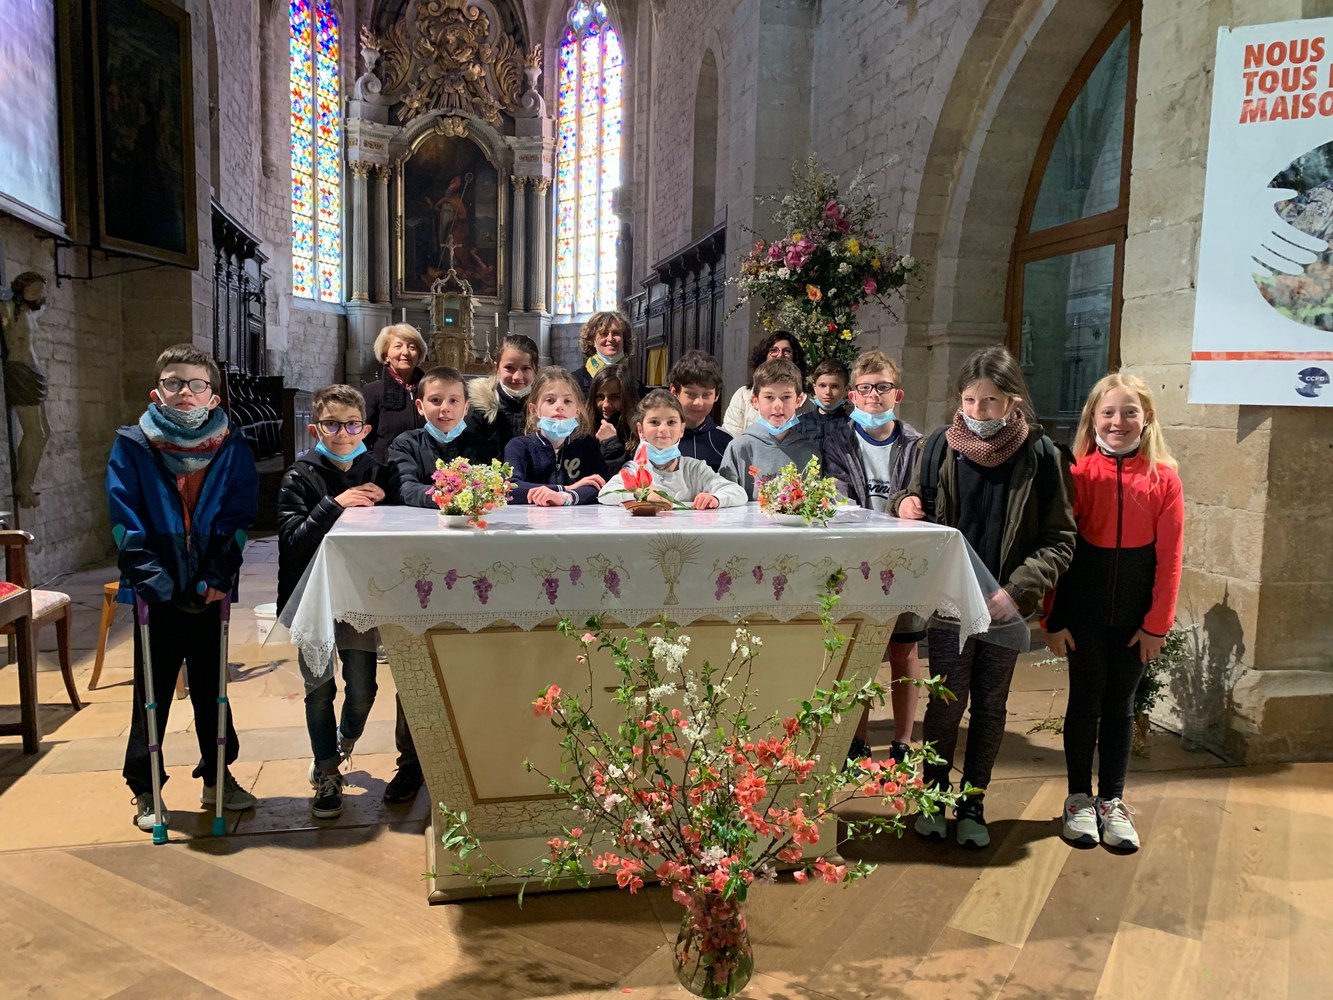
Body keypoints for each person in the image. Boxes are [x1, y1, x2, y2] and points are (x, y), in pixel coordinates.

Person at [892, 345, 1075, 849]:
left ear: (1013, 401)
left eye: (990, 401)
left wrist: (1017, 591)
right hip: (950, 602)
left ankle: (973, 801)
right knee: (946, 702)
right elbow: (912, 498)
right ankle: (933, 794)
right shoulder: (938, 445)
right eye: (969, 400)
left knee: (991, 705)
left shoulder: (1042, 455)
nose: (977, 411)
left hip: (1004, 604)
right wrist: (905, 502)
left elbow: (1060, 539)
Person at [107, 343, 259, 831]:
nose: (185, 392)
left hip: (209, 586)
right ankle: (145, 785)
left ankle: (218, 775)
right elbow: (124, 519)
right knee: (151, 692)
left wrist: (220, 574)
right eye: (173, 383)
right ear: (158, 392)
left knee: (213, 688)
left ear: (213, 396)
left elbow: (239, 516)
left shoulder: (230, 445)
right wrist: (152, 579)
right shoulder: (134, 444)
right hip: (156, 588)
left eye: (196, 384)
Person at [1044, 373, 1183, 852]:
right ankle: (1079, 798)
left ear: (1147, 419)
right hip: (1082, 613)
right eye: (1108, 412)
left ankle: (1112, 800)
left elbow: (1170, 560)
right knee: (1084, 702)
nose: (1118, 421)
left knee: (1121, 706)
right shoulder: (1078, 474)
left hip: (1134, 619)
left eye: (1129, 412)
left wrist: (1157, 625)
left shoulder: (1164, 478)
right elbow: (1058, 552)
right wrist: (1052, 619)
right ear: (1093, 418)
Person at [277, 384, 401, 819]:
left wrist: (390, 503)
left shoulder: (377, 471)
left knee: (363, 690)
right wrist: (335, 504)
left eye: (351, 425)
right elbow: (293, 540)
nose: (342, 434)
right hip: (312, 597)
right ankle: (327, 772)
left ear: (365, 429)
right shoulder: (299, 476)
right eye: (331, 425)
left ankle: (342, 742)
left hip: (359, 597)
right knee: (319, 691)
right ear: (315, 429)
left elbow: (399, 528)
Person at [822, 350, 925, 764]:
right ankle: (858, 737)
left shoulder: (916, 444)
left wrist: (912, 503)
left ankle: (903, 740)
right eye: (864, 389)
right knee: (860, 652)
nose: (873, 396)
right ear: (852, 395)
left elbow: (923, 491)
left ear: (897, 393)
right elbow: (837, 492)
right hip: (858, 561)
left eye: (882, 387)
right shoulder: (839, 440)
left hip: (904, 561)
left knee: (904, 651)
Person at [598, 391, 747, 509]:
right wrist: (641, 494)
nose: (663, 429)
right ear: (641, 430)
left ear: (681, 429)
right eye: (654, 422)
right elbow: (605, 493)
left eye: (671, 422)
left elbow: (738, 492)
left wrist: (715, 498)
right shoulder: (634, 469)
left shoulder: (695, 469)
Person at [390, 366, 499, 507]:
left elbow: (489, 486)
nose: (445, 408)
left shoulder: (480, 447)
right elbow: (403, 487)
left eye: (453, 401)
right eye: (435, 400)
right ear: (420, 407)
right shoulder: (406, 445)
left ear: (466, 407)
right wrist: (445, 496)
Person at [504, 367, 608, 505]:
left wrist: (566, 497)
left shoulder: (586, 445)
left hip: (575, 518)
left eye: (567, 401)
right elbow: (509, 488)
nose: (559, 406)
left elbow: (600, 484)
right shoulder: (519, 446)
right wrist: (564, 488)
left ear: (577, 411)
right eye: (550, 400)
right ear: (534, 410)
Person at [718, 358, 819, 499]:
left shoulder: (810, 453)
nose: (778, 405)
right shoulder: (739, 448)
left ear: (798, 401)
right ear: (755, 401)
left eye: (786, 397)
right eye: (769, 397)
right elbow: (726, 497)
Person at [0, 271, 52, 507]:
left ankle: (26, 481)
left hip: (34, 372)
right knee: (35, 432)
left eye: (40, 290)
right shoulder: (8, 308)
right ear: (22, 287)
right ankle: (23, 485)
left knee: (45, 433)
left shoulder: (30, 312)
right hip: (19, 370)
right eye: (33, 288)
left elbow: (42, 307)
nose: (37, 293)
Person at [721, 332, 813, 438]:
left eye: (787, 351)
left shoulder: (808, 403)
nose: (780, 355)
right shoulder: (743, 396)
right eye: (773, 350)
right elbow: (731, 436)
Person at [362, 324, 428, 463]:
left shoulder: (430, 390)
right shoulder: (372, 391)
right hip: (388, 469)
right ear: (386, 355)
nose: (406, 352)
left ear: (419, 355)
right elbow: (361, 440)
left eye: (412, 347)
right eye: (398, 346)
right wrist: (377, 466)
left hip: (427, 470)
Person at [467, 333, 539, 454]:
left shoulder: (545, 410)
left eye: (526, 368)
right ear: (497, 368)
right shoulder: (478, 409)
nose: (517, 377)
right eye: (509, 368)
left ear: (535, 370)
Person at [668, 350, 732, 472]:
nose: (699, 402)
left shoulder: (726, 442)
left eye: (706, 394)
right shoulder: (659, 436)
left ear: (716, 395)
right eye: (691, 394)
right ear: (674, 391)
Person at [571, 310, 647, 397]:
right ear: (592, 340)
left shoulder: (636, 387)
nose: (610, 339)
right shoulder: (575, 383)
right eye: (604, 333)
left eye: (616, 333)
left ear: (624, 339)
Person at [588, 364, 639, 475]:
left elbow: (626, 477)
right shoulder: (584, 431)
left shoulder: (638, 434)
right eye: (600, 397)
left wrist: (611, 444)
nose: (606, 404)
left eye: (615, 397)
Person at [797, 358, 852, 453]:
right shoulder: (799, 424)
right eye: (822, 386)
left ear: (846, 390)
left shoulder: (852, 425)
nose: (827, 392)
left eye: (834, 386)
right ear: (815, 388)